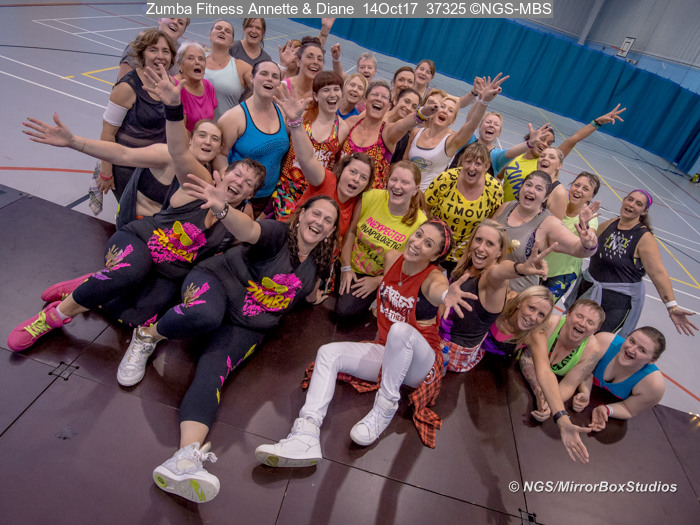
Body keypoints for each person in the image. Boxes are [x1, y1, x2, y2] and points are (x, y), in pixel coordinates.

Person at [8, 76, 265, 355]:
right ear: (223, 173)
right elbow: (168, 150)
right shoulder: (199, 181)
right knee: (128, 271)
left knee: (136, 317)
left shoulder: (243, 215)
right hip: (141, 240)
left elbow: (248, 238)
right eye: (237, 174)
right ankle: (52, 316)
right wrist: (173, 107)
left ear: (251, 193)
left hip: (168, 270)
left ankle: (90, 283)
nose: (240, 182)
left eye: (248, 183)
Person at [142, 193, 340, 503]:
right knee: (205, 314)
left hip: (248, 324)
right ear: (301, 214)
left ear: (331, 232)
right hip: (218, 282)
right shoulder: (276, 234)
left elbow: (307, 293)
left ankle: (183, 460)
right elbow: (248, 229)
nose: (320, 222)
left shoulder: (318, 263)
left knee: (213, 374)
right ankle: (146, 335)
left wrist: (317, 297)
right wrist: (223, 210)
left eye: (328, 221)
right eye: (316, 214)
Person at [255, 219, 477, 468]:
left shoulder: (432, 278)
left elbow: (438, 290)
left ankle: (384, 408)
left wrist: (446, 295)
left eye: (428, 244)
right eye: (418, 234)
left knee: (401, 331)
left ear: (435, 256)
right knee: (327, 353)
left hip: (421, 366)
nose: (417, 243)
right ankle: (305, 434)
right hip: (388, 351)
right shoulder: (393, 258)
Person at [569, 189, 697, 337]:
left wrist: (672, 306)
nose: (631, 204)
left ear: (644, 211)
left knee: (593, 341)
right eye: (630, 199)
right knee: (570, 331)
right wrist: (584, 225)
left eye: (638, 204)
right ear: (624, 200)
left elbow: (658, 273)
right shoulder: (610, 223)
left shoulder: (644, 237)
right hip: (588, 290)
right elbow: (588, 245)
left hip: (615, 304)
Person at [439, 220, 554, 372]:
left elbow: (500, 271)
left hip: (452, 356)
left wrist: (521, 268)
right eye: (478, 240)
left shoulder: (491, 277)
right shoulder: (467, 266)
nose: (481, 248)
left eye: (490, 244)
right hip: (439, 339)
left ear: (500, 252)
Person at [272, 80, 368, 231]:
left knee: (305, 227)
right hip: (288, 186)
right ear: (316, 96)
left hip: (315, 189)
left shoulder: (342, 127)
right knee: (286, 228)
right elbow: (283, 144)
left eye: (336, 89)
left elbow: (337, 160)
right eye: (326, 90)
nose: (332, 94)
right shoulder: (303, 115)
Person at [336, 161, 428, 318]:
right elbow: (351, 231)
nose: (397, 186)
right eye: (394, 179)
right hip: (348, 263)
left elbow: (412, 264)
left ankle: (378, 297)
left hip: (377, 276)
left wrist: (379, 281)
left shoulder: (420, 223)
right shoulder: (371, 196)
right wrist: (346, 268)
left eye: (405, 182)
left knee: (344, 312)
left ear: (415, 189)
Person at [99, 29, 177, 198]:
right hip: (126, 168)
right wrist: (106, 171)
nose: (160, 56)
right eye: (153, 50)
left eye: (165, 51)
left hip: (155, 168)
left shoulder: (170, 84)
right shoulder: (126, 88)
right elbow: (107, 133)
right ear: (142, 54)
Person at [492, 171, 600, 292]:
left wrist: (588, 244)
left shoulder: (549, 223)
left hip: (514, 294)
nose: (531, 190)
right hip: (486, 283)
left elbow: (577, 248)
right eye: (528, 185)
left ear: (546, 197)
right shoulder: (507, 207)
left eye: (538, 188)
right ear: (521, 187)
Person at [500, 104, 626, 203]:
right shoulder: (514, 157)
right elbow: (498, 177)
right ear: (531, 137)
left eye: (549, 143)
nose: (545, 144)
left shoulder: (545, 164)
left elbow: (573, 139)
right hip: (501, 208)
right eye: (542, 139)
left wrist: (597, 122)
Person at [405, 73, 508, 191]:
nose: (445, 111)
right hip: (404, 189)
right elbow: (404, 162)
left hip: (426, 196)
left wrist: (484, 101)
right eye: (442, 106)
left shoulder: (451, 141)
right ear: (434, 110)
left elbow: (471, 124)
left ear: (452, 120)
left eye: (450, 110)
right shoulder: (416, 133)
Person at [217, 60, 289, 217]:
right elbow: (219, 154)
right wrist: (230, 185)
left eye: (274, 76)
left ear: (279, 83)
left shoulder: (283, 113)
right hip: (237, 194)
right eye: (264, 73)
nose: (269, 78)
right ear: (252, 78)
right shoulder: (234, 117)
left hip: (267, 195)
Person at [424, 142, 504, 274]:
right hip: (436, 247)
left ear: (486, 167)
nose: (472, 168)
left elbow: (491, 222)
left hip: (467, 256)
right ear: (462, 162)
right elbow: (426, 208)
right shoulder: (446, 179)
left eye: (478, 164)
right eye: (468, 162)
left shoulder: (494, 189)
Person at [519, 299, 605, 421]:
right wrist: (539, 391)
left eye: (590, 322)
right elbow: (527, 358)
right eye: (579, 316)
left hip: (551, 386)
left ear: (595, 330)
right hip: (519, 377)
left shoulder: (592, 351)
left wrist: (551, 406)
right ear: (568, 314)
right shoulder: (549, 324)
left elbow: (569, 385)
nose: (582, 323)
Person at [343, 80, 439, 189]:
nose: (379, 98)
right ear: (365, 99)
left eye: (384, 97)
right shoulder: (351, 122)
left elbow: (405, 124)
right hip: (341, 189)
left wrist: (423, 112)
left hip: (369, 196)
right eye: (375, 94)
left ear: (389, 106)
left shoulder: (387, 132)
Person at [589, 327, 666, 431]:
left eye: (642, 350)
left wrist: (606, 409)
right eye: (631, 341)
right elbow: (577, 370)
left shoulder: (653, 385)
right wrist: (584, 390)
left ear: (652, 360)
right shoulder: (603, 342)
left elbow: (628, 409)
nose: (631, 350)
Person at [542, 172, 601, 301]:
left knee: (540, 306)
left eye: (585, 189)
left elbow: (589, 235)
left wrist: (586, 233)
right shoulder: (560, 201)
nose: (578, 190)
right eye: (577, 185)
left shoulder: (590, 218)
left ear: (591, 196)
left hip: (561, 274)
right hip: (540, 264)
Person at [448, 112, 551, 177]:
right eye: (488, 122)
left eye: (496, 124)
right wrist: (482, 100)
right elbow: (470, 122)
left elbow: (511, 153)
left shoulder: (496, 156)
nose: (491, 125)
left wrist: (529, 143)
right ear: (479, 127)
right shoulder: (468, 141)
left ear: (499, 133)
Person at [204, 20, 252, 119]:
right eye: (218, 28)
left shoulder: (242, 67)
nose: (222, 31)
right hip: (191, 126)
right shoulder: (197, 59)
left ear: (231, 42)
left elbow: (263, 89)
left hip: (223, 127)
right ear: (210, 35)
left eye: (227, 31)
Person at [117, 18, 189, 80]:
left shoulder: (182, 54)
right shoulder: (139, 46)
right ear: (160, 19)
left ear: (183, 31)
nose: (175, 22)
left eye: (181, 23)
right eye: (171, 17)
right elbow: (122, 84)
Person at [175, 43, 217, 133]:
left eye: (201, 59)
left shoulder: (208, 86)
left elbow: (211, 122)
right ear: (180, 65)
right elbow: (179, 131)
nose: (197, 62)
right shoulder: (175, 87)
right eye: (191, 58)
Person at [279, 37, 324, 102]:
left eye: (320, 59)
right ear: (298, 61)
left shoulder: (324, 94)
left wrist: (336, 60)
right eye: (309, 57)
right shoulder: (282, 87)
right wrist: (282, 66)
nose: (315, 62)